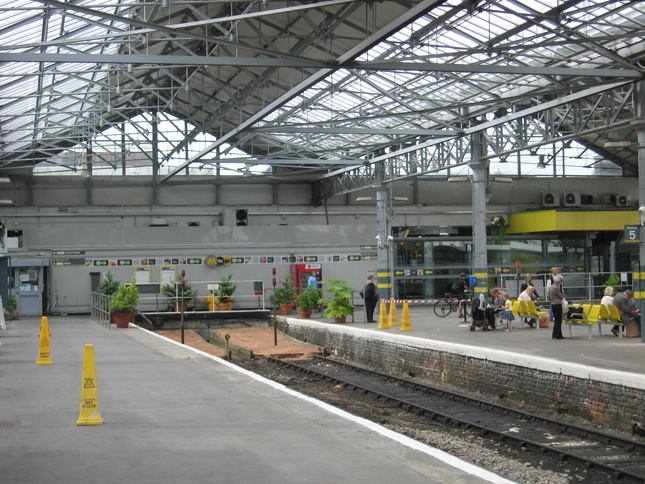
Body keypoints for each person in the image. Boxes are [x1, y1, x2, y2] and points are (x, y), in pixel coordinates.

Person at [547, 274, 565, 339]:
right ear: (559, 282)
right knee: (558, 320)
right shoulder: (556, 288)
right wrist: (562, 295)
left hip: (553, 304)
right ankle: (557, 334)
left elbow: (548, 296)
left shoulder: (550, 287)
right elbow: (560, 296)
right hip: (557, 304)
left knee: (556, 320)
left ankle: (555, 334)